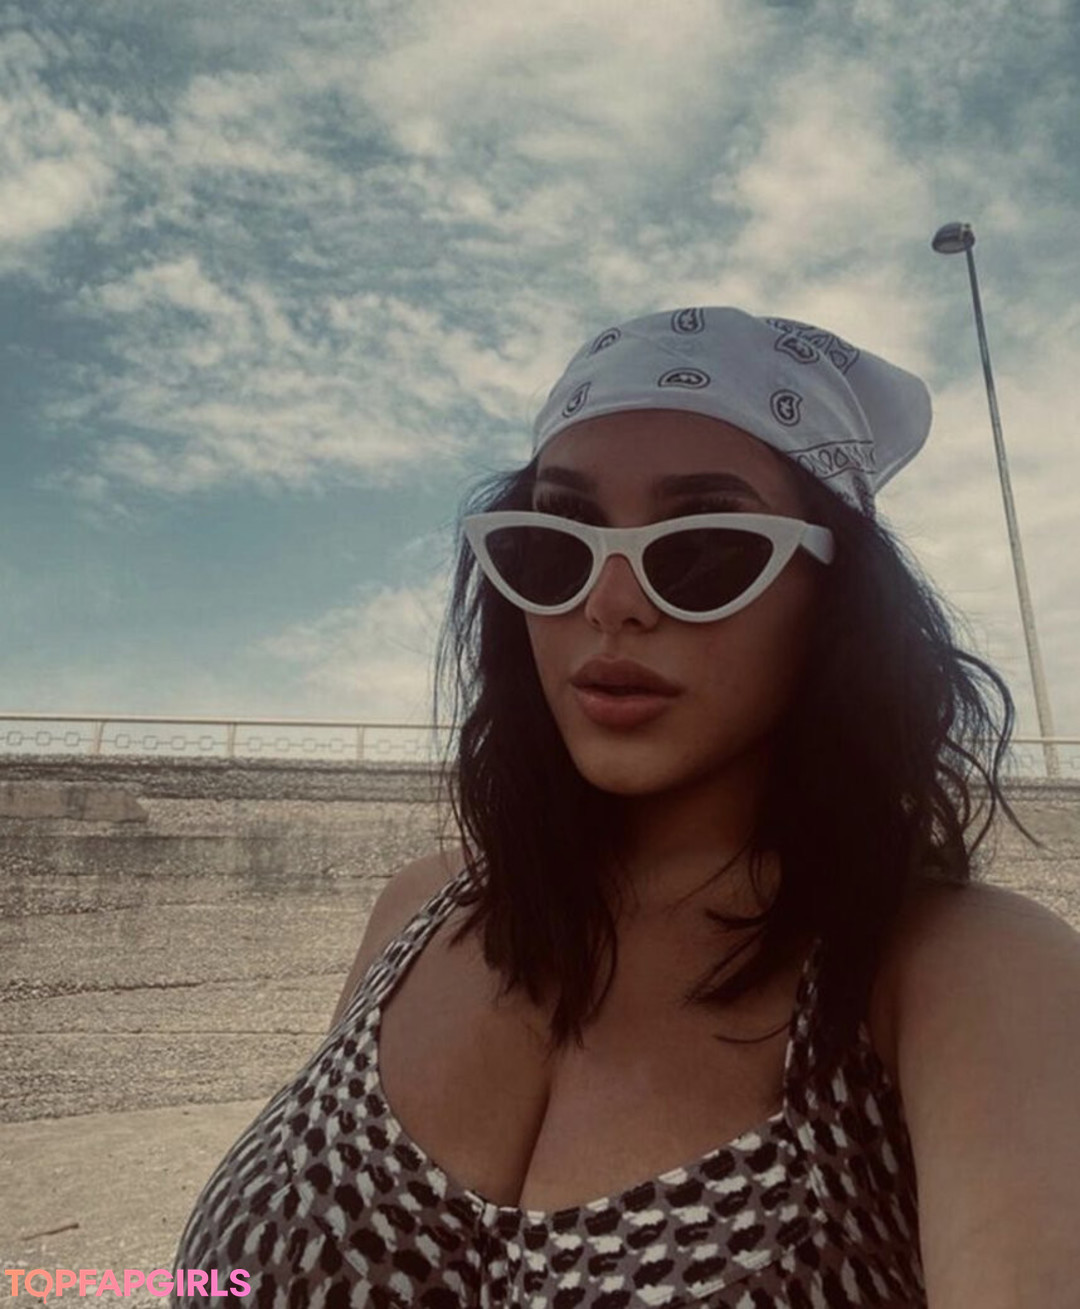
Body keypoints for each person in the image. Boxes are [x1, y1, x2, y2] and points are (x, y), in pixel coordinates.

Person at [172, 307, 1080, 1307]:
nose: (608, 602)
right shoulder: (416, 910)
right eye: (553, 549)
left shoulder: (960, 976)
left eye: (703, 550)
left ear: (836, 599)